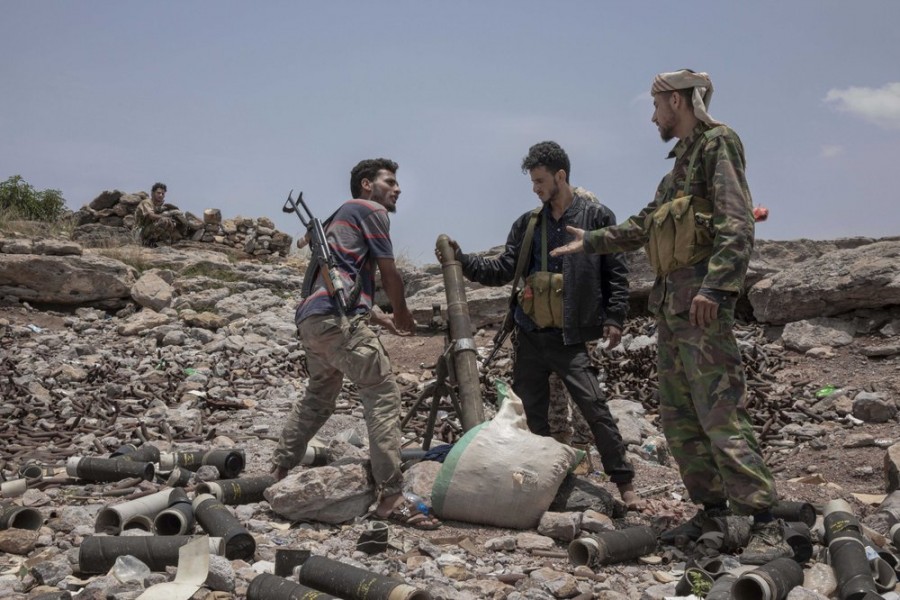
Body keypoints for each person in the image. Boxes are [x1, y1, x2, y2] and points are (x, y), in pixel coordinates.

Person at [551, 70, 791, 564]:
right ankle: (712, 511)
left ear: (676, 100)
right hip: (671, 312)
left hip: (702, 309)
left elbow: (737, 220)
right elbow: (644, 223)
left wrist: (716, 287)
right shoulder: (677, 168)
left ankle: (766, 521)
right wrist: (592, 240)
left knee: (720, 412)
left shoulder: (718, 144)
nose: (652, 116)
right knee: (680, 418)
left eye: (656, 105)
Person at [439, 141, 645, 511]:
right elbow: (502, 269)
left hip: (570, 338)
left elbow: (615, 272)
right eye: (533, 182)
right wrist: (464, 259)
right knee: (530, 418)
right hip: (531, 335)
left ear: (560, 176)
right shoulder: (528, 224)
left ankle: (625, 484)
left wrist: (615, 317)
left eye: (540, 180)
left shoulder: (596, 218)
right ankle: (540, 488)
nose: (535, 188)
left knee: (595, 408)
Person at [271, 158, 440, 530]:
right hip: (337, 317)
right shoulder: (371, 209)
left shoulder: (337, 218)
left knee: (319, 394)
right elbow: (388, 270)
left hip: (312, 320)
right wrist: (401, 312)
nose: (396, 190)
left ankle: (280, 470)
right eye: (390, 182)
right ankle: (392, 498)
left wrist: (378, 316)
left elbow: (346, 278)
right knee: (382, 394)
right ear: (367, 184)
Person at [134, 182, 189, 246]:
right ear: (152, 193)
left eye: (163, 194)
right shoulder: (147, 202)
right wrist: (164, 217)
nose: (161, 195)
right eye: (158, 193)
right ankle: (149, 242)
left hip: (149, 228)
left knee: (172, 220)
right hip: (140, 232)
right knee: (164, 220)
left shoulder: (159, 206)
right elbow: (151, 216)